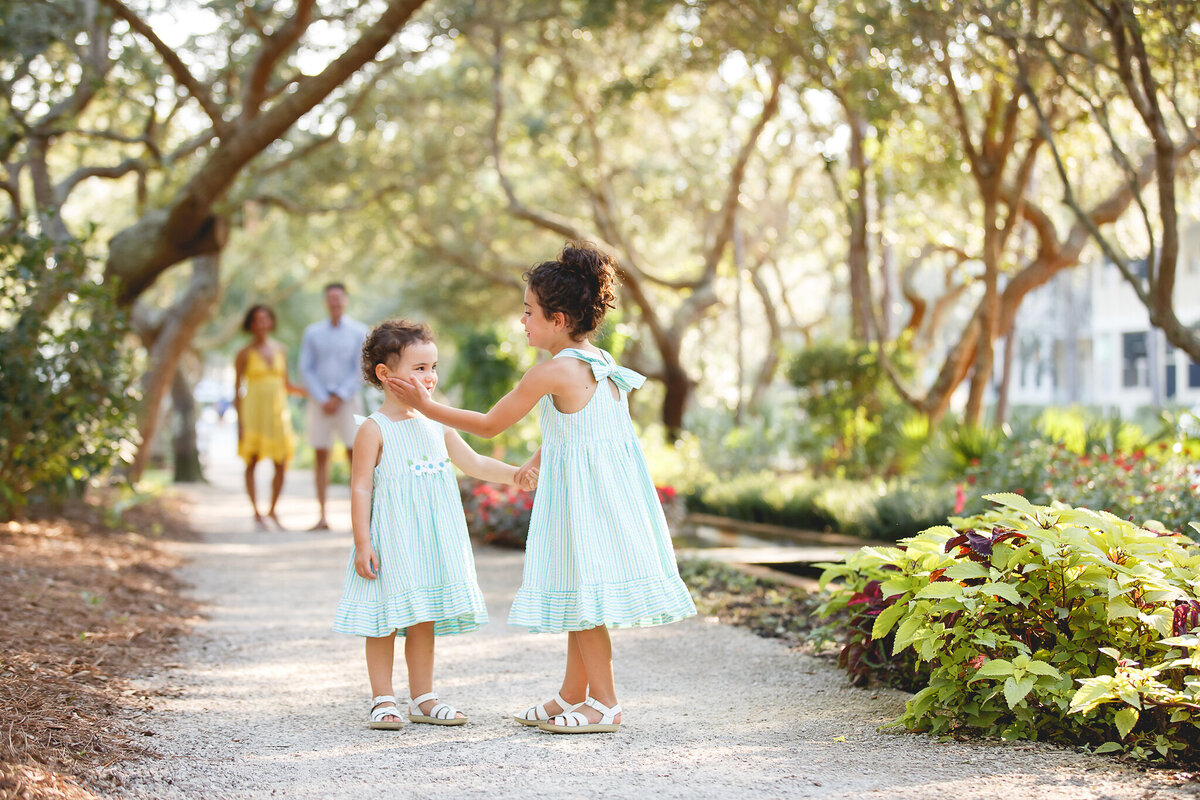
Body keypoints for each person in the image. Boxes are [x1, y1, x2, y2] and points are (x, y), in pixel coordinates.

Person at [390, 242, 696, 734]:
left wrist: (426, 407)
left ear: (557, 318)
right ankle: (572, 695)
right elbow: (581, 428)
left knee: (586, 597)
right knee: (580, 591)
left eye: (529, 312)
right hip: (602, 492)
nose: (523, 321)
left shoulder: (552, 370)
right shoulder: (598, 359)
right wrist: (536, 461)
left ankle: (606, 704)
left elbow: (489, 425)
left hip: (587, 499)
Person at [334, 319, 536, 730]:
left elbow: (475, 463)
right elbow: (361, 489)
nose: (430, 377)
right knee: (384, 618)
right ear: (385, 374)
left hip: (431, 540)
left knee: (423, 617)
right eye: (419, 368)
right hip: (393, 539)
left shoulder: (438, 423)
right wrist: (362, 543)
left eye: (433, 367)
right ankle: (382, 698)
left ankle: (423, 697)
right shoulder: (374, 430)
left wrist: (515, 474)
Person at [299, 283, 369, 530]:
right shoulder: (313, 333)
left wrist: (339, 395)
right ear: (325, 302)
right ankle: (322, 515)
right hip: (320, 402)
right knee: (320, 455)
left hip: (348, 401)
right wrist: (322, 396)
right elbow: (306, 367)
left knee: (356, 455)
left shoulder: (359, 331)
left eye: (339, 298)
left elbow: (361, 368)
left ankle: (359, 519)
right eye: (331, 299)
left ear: (346, 300)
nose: (335, 303)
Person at [234, 304, 306, 531]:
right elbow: (236, 389)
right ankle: (256, 513)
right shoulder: (244, 353)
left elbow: (286, 384)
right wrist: (240, 423)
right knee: (252, 462)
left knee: (281, 461)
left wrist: (310, 390)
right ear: (251, 324)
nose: (262, 324)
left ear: (271, 322)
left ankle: (273, 510)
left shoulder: (280, 350)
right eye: (257, 320)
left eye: (266, 319)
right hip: (253, 413)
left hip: (276, 414)